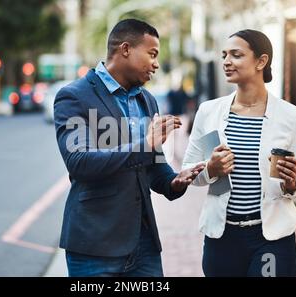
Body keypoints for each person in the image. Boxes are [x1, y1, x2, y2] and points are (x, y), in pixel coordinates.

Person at [54, 19, 205, 277]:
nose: (156, 64)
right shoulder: (74, 96)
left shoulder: (147, 100)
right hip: (95, 246)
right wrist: (146, 144)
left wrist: (174, 181)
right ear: (125, 49)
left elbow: (153, 167)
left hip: (143, 244)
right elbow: (79, 162)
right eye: (152, 54)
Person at [182, 29, 296, 277]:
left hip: (271, 239)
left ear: (261, 61)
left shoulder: (290, 115)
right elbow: (186, 171)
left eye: (236, 55)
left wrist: (292, 184)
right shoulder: (209, 112)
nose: (227, 62)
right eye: (224, 55)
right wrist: (210, 169)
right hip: (222, 237)